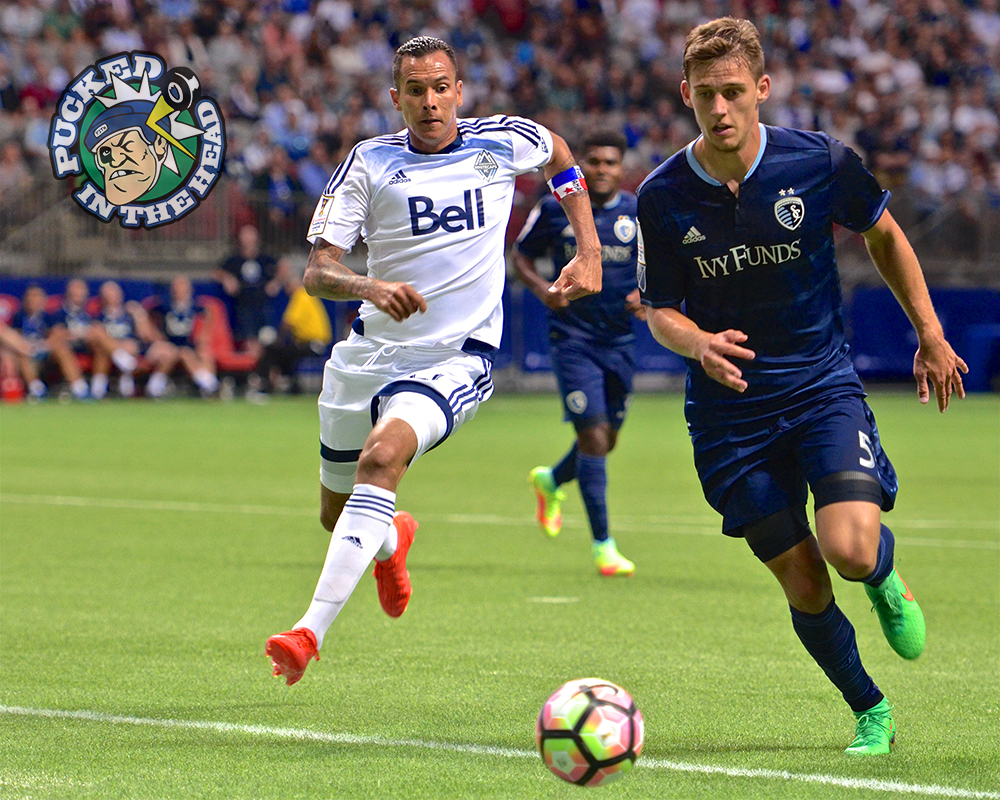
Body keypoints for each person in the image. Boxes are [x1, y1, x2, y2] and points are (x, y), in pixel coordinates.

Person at [637, 17, 967, 755]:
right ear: (685, 94)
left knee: (848, 551)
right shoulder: (661, 197)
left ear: (761, 88)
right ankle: (870, 708)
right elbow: (657, 309)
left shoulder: (819, 162)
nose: (719, 109)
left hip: (819, 387)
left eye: (732, 93)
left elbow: (883, 233)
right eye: (704, 95)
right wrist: (696, 343)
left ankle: (883, 576)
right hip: (728, 418)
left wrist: (931, 333)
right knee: (805, 583)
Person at [265, 36, 602, 686]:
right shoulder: (369, 162)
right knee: (340, 517)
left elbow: (560, 155)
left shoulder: (504, 140)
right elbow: (318, 273)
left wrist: (586, 248)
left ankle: (308, 631)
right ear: (396, 97)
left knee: (380, 460)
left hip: (457, 356)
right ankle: (393, 540)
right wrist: (369, 287)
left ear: (458, 91)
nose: (429, 101)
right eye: (414, 90)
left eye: (440, 86)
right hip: (366, 356)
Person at [514, 129, 643, 577]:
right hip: (572, 341)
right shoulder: (555, 209)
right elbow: (521, 256)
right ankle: (603, 546)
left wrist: (647, 295)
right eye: (594, 162)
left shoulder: (636, 212)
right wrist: (542, 290)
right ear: (581, 165)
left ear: (621, 168)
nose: (602, 169)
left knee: (606, 440)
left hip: (622, 341)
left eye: (610, 162)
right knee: (593, 439)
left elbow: (662, 262)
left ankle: (551, 480)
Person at [212, 223, 290, 355]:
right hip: (243, 306)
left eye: (251, 235)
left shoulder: (265, 257)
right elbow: (216, 272)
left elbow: (284, 265)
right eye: (245, 235)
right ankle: (252, 369)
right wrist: (227, 279)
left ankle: (266, 369)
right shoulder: (234, 259)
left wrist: (275, 282)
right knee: (248, 341)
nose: (248, 238)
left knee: (267, 339)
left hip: (263, 305)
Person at [93, 280, 178, 398]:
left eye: (113, 293)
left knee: (168, 351)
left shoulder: (129, 313)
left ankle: (154, 389)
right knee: (105, 343)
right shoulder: (99, 317)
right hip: (113, 351)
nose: (111, 297)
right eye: (107, 294)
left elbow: (147, 335)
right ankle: (126, 369)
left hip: (137, 347)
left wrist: (140, 315)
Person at [8, 284, 89, 400]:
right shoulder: (19, 317)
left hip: (45, 350)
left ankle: (80, 389)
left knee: (62, 349)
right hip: (27, 352)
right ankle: (37, 391)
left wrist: (43, 346)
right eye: (31, 296)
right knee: (21, 353)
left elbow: (58, 333)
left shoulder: (49, 317)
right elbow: (15, 335)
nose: (33, 300)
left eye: (36, 297)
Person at [150, 274, 219, 397]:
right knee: (175, 354)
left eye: (183, 287)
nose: (180, 290)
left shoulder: (194, 306)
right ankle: (155, 387)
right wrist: (156, 336)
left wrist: (204, 333)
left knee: (203, 353)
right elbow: (148, 315)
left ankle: (208, 385)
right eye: (177, 287)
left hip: (187, 343)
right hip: (169, 343)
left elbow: (209, 314)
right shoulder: (164, 305)